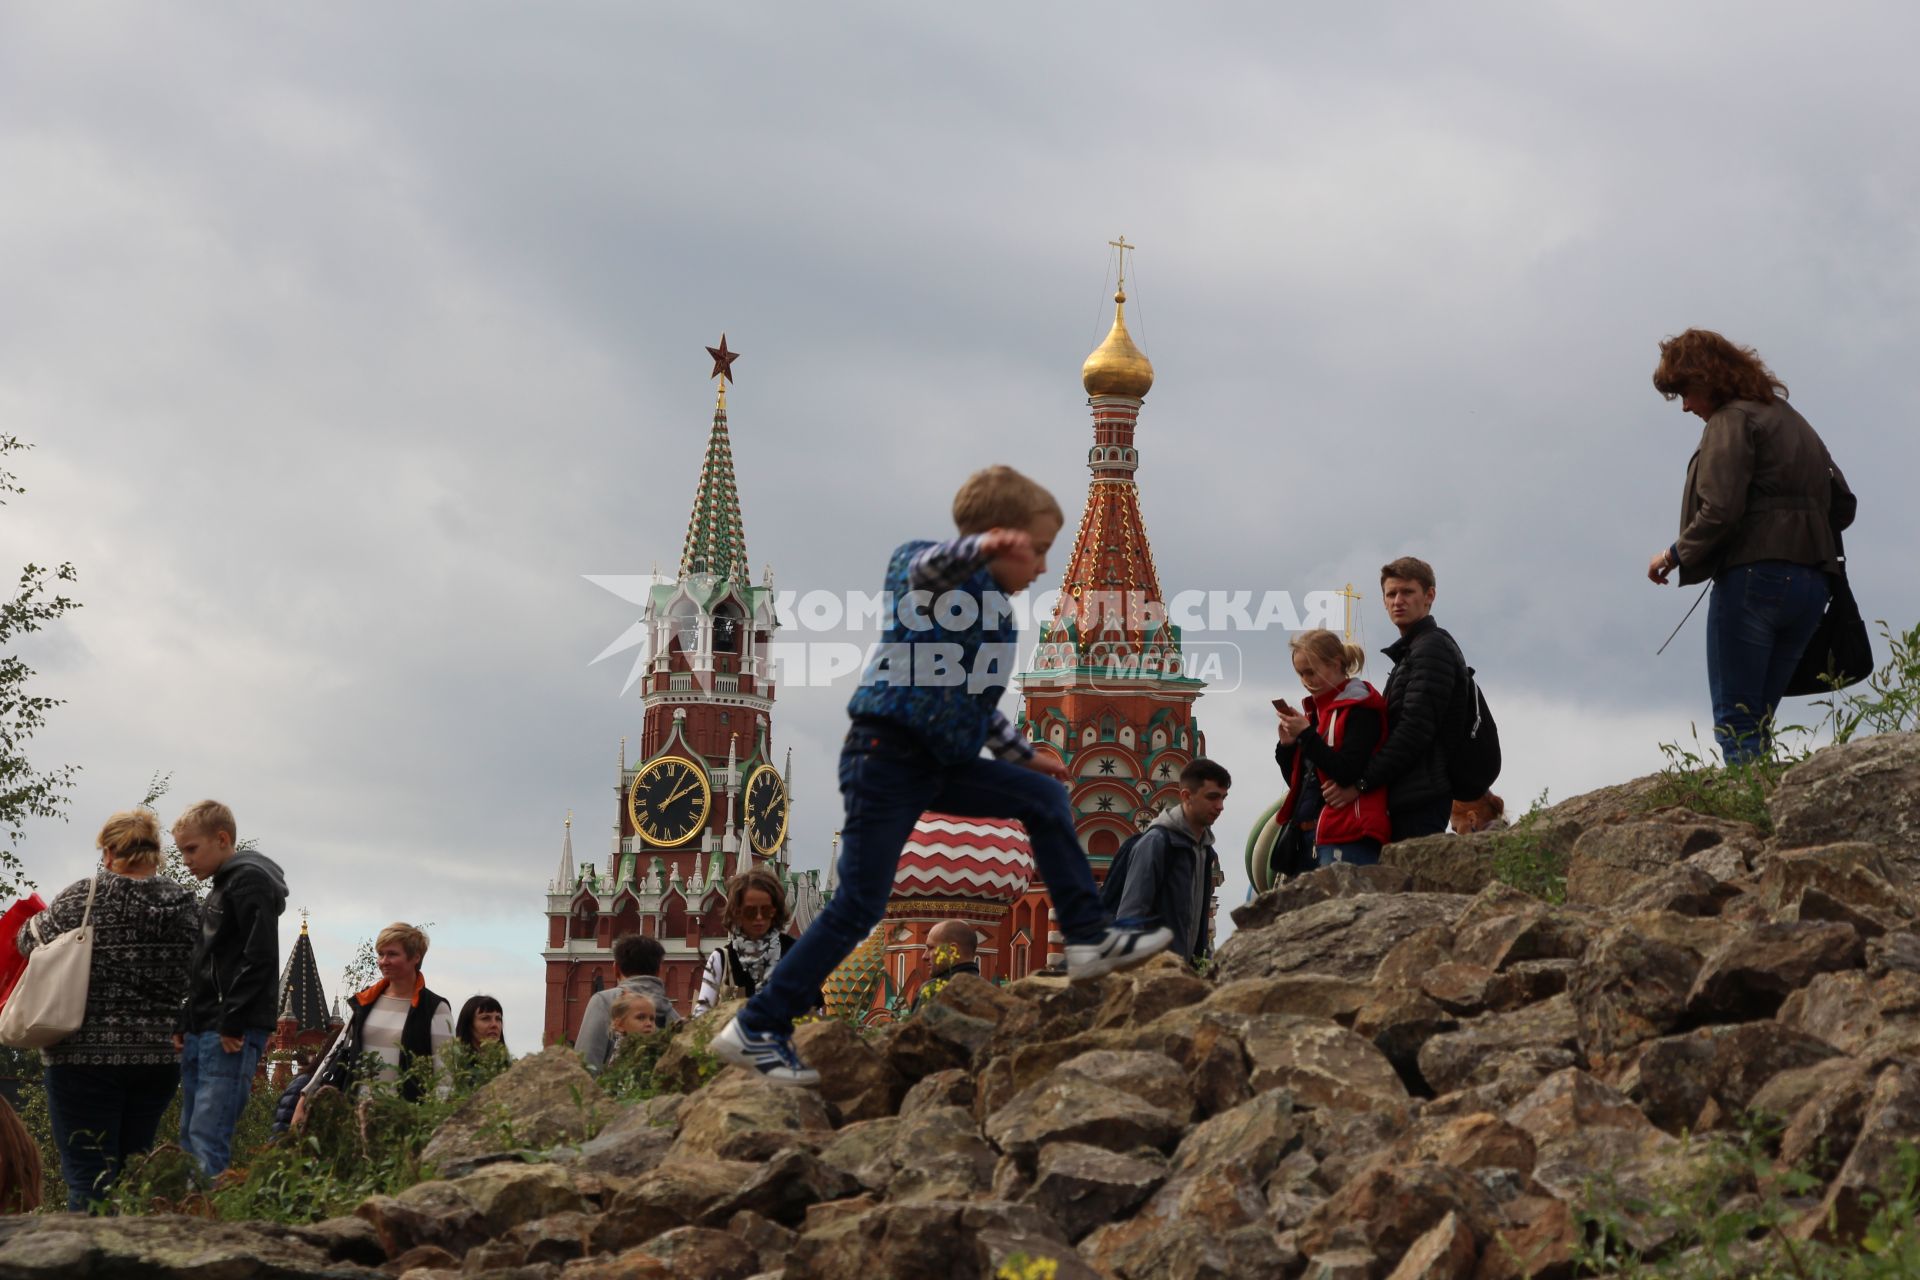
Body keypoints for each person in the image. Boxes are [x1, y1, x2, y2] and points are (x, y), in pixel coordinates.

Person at [713, 466, 1172, 1084]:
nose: (1040, 568)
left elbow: (974, 705)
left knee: (1041, 796)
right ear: (999, 538)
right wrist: (981, 549)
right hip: (885, 757)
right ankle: (755, 1025)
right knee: (856, 906)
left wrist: (1022, 753)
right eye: (1034, 550)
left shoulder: (1001, 623)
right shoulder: (923, 573)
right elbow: (928, 568)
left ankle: (1088, 942)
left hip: (940, 764)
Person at [1647, 329, 1853, 765]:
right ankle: (1770, 817)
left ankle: (1752, 820)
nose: (1685, 405)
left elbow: (1721, 509)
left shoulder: (1730, 420)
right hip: (1813, 585)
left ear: (1708, 379)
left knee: (1737, 722)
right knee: (1759, 720)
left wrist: (1673, 555)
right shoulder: (1791, 418)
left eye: (1685, 391)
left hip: (1754, 580)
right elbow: (1844, 505)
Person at [17, 809, 198, 1211]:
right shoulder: (186, 904)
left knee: (88, 1179)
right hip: (156, 1060)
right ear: (156, 854)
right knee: (134, 1179)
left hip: (82, 1060)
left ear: (110, 853)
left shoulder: (88, 895)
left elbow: (26, 942)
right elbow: (202, 969)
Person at [171, 799, 287, 1180]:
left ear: (222, 839)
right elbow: (206, 964)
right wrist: (185, 1021)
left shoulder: (248, 881)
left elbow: (261, 957)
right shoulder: (222, 886)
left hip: (228, 1031)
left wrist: (233, 1020)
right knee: (191, 1132)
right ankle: (190, 1215)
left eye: (192, 849)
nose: (186, 860)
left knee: (208, 1134)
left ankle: (205, 1229)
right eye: (181, 851)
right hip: (206, 1025)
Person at [1324, 559, 1467, 841]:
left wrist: (1362, 783)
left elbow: (1414, 730)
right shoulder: (1412, 651)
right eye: (1391, 594)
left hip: (1420, 796)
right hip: (1409, 793)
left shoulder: (1431, 648)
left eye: (1407, 592)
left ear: (1429, 596)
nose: (1398, 601)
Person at [295, 923, 453, 1126]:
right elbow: (334, 1052)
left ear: (416, 957)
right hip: (356, 1118)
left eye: (392, 954)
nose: (383, 961)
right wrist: (304, 1098)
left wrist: (432, 1122)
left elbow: (445, 1074)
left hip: (407, 1121)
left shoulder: (435, 1008)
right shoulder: (367, 1001)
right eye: (381, 954)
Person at [1276, 631, 1391, 866]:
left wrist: (1307, 736)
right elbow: (1302, 785)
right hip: (1312, 832)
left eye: (1312, 671)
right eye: (1300, 674)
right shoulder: (1317, 714)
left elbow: (1348, 771)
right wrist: (1287, 748)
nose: (1306, 680)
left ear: (1336, 663)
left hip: (1348, 832)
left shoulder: (1360, 708)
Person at [1111, 760, 1230, 963]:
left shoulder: (1204, 850)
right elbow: (1131, 914)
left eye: (1223, 798)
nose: (1220, 807)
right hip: (1154, 974)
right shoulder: (1157, 843)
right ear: (1186, 796)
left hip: (1183, 974)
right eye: (1212, 797)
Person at [692, 869, 816, 1018]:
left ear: (775, 911)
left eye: (766, 911)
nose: (759, 918)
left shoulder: (795, 954)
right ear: (737, 912)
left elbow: (815, 1010)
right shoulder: (721, 960)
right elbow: (700, 1016)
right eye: (750, 911)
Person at [576, 934, 681, 1077]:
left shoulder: (604, 1001)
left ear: (616, 969)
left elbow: (586, 1063)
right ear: (659, 972)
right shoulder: (674, 1016)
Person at [909, 919, 981, 1012]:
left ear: (952, 950)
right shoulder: (992, 995)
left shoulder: (933, 991)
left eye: (931, 948)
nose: (924, 956)